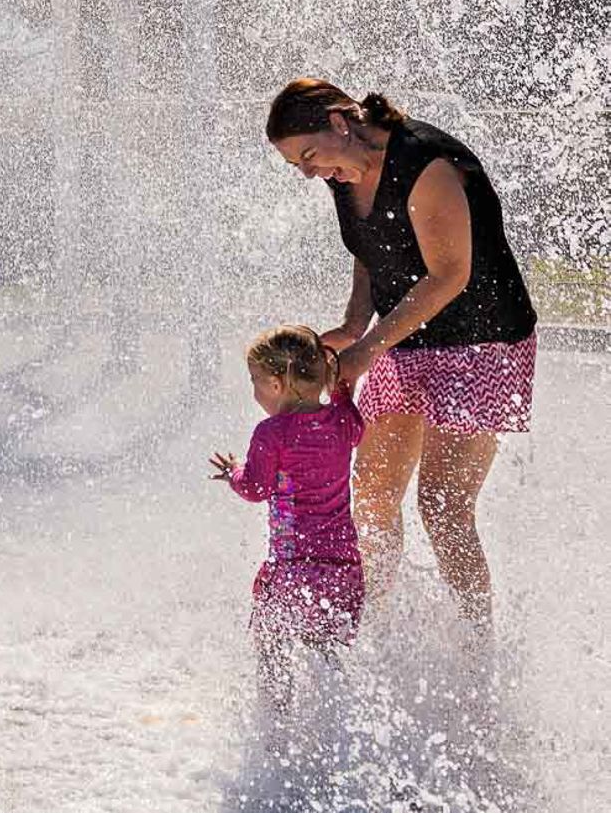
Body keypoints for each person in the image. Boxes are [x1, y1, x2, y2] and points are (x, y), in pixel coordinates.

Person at [265, 78, 537, 626]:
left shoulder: (426, 164)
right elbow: (371, 248)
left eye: (309, 156)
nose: (309, 173)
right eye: (298, 165)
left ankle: (476, 641)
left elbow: (450, 275)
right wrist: (353, 323)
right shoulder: (344, 172)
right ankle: (376, 623)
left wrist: (366, 348)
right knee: (372, 493)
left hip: (480, 342)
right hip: (404, 336)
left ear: (341, 121)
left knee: (443, 507)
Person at [211, 324, 365, 710]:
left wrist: (233, 473)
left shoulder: (272, 432)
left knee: (271, 642)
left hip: (292, 569)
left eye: (256, 381)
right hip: (342, 569)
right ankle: (338, 723)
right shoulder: (341, 422)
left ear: (278, 384)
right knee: (325, 650)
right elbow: (356, 424)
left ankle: (276, 723)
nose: (254, 390)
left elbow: (256, 488)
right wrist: (342, 389)